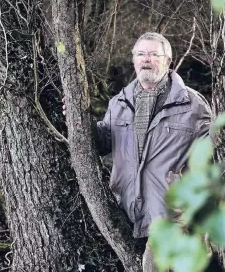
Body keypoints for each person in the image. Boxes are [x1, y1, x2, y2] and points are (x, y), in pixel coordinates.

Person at [64, 32, 212, 271]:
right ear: (134, 60)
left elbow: (212, 156)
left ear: (168, 60)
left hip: (171, 212)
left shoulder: (194, 105)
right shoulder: (119, 103)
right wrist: (78, 120)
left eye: (154, 54)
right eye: (141, 54)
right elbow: (102, 143)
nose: (146, 59)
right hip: (126, 206)